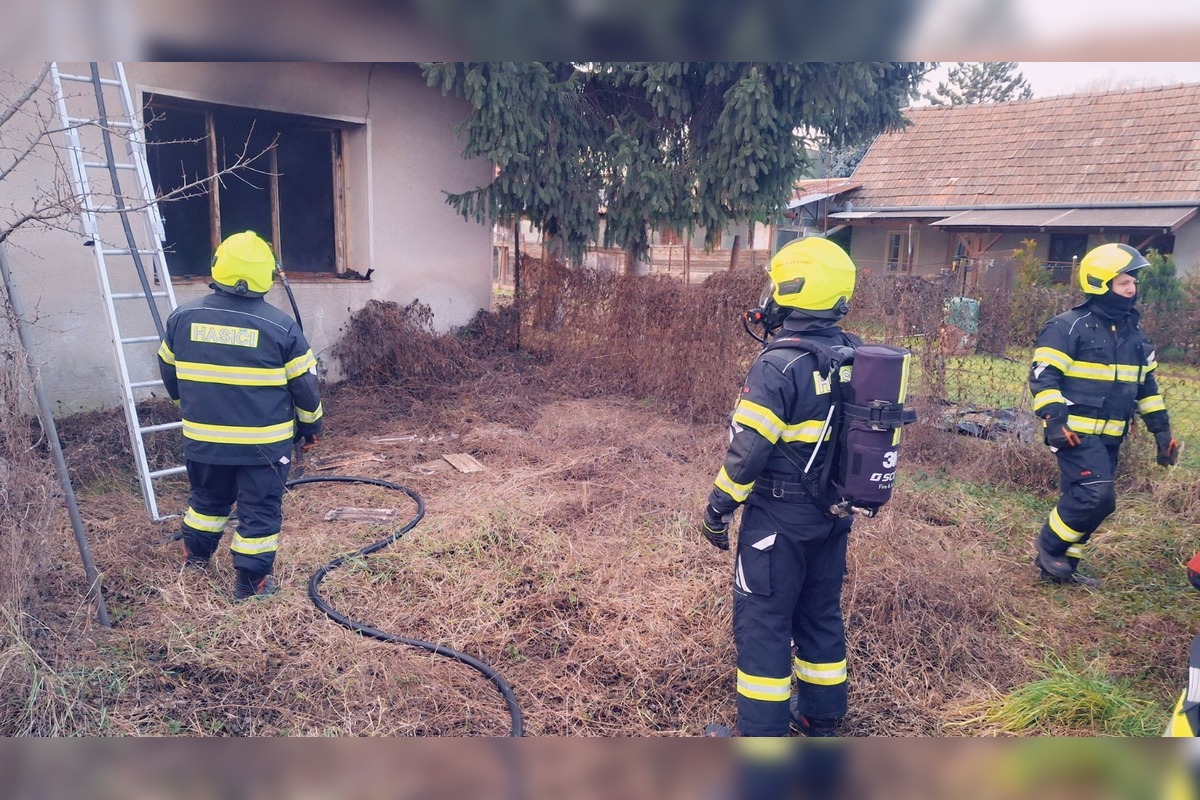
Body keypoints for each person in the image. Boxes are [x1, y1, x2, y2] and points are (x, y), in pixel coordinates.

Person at [699, 237, 861, 738]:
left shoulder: (779, 364)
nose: (768, 295)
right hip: (832, 517)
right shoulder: (853, 355)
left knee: (764, 627)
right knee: (819, 616)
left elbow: (749, 452)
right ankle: (820, 720)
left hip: (777, 522)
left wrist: (718, 508)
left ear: (795, 288)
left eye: (775, 284)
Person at [157, 230, 323, 601]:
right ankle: (251, 585)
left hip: (204, 441)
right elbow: (305, 387)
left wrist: (190, 404)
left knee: (206, 501)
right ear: (266, 275)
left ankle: (195, 557)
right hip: (262, 447)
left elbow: (169, 370)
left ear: (219, 268)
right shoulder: (281, 327)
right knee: (259, 512)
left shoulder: (183, 317)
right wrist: (311, 427)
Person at [1030, 242, 1179, 588]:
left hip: (1112, 434)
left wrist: (1162, 433)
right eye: (1124, 282)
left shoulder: (1136, 333)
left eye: (1133, 282)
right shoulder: (1068, 325)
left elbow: (1147, 388)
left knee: (1090, 501)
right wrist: (1054, 421)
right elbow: (1044, 375)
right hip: (1074, 433)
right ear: (1100, 283)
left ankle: (1064, 566)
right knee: (1096, 496)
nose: (1132, 289)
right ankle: (1049, 548)